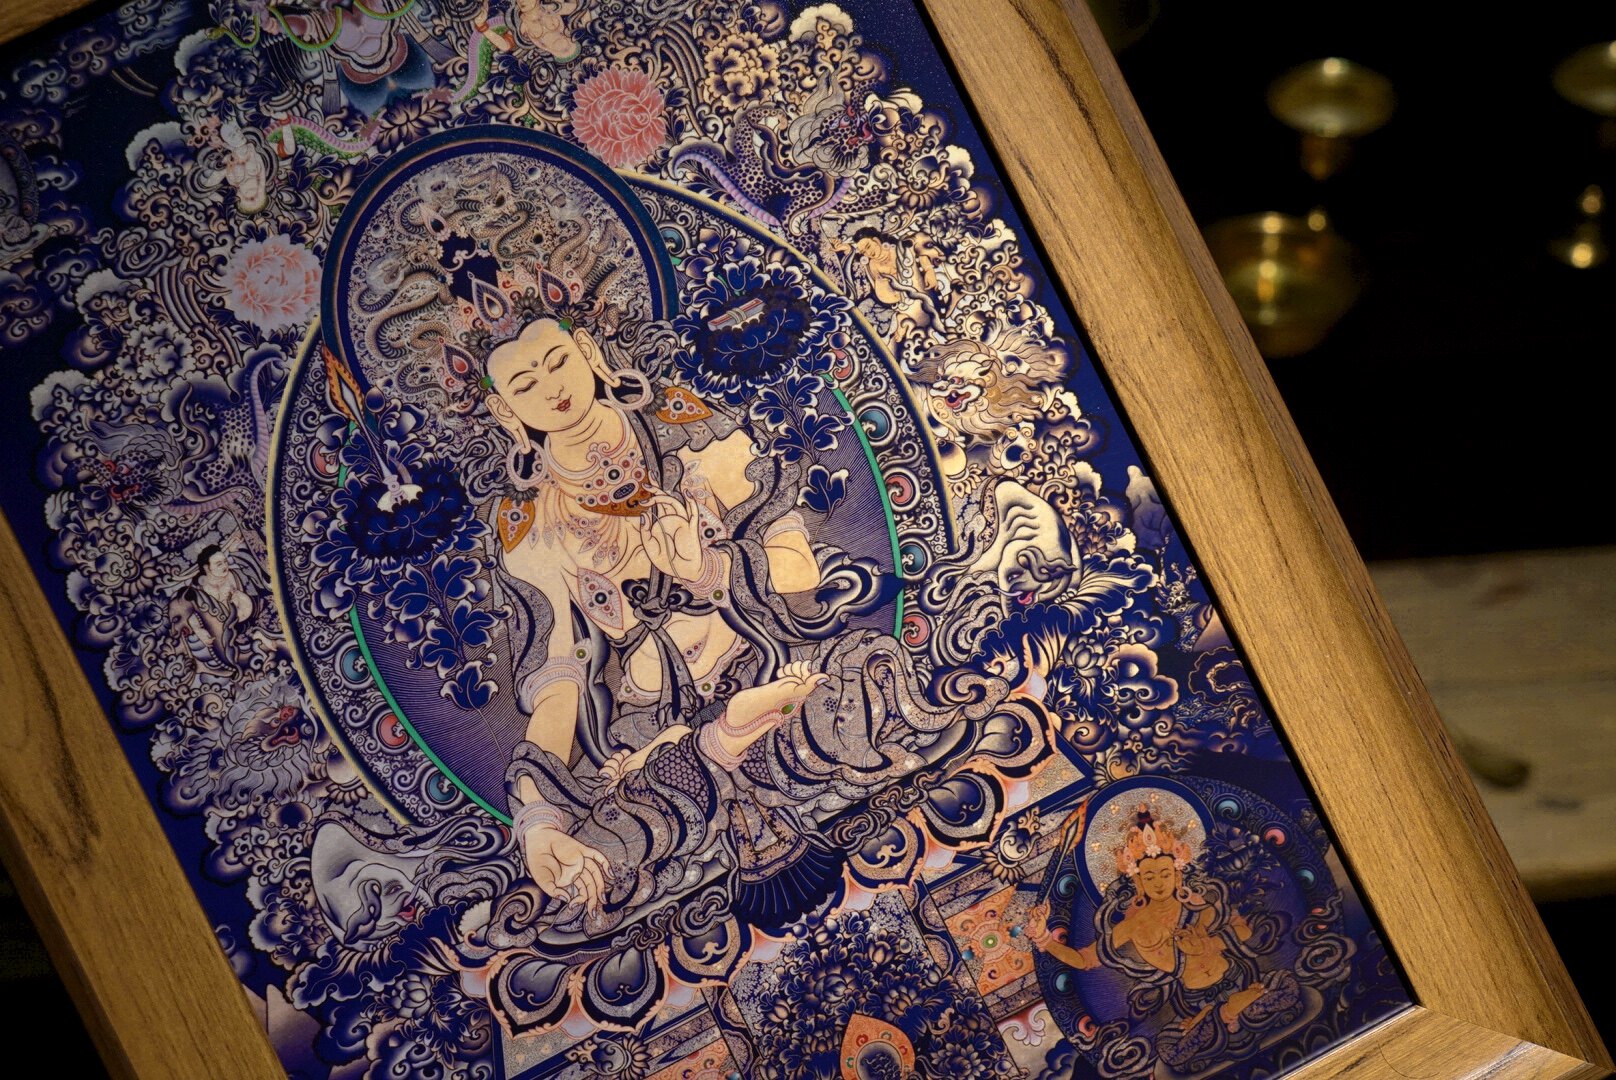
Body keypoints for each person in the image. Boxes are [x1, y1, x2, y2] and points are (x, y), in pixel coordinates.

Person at [480, 313, 830, 912]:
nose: (552, 388)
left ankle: (721, 738)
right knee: (601, 846)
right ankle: (721, 737)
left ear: (588, 350)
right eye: (525, 385)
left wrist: (706, 569)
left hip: (761, 657)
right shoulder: (531, 524)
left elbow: (801, 567)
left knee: (860, 678)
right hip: (654, 718)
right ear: (505, 411)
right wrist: (537, 820)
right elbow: (558, 685)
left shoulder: (684, 428)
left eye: (559, 362)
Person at [1026, 804, 1301, 1065]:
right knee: (1170, 1050)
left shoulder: (1200, 904)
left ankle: (1225, 1012)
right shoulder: (1133, 926)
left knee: (1287, 985)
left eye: (1165, 874)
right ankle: (1229, 1010)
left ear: (1177, 876)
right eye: (1150, 877)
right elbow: (1083, 960)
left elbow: (1244, 930)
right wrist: (1044, 939)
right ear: (1139, 882)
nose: (1158, 883)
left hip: (1238, 978)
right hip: (1196, 1000)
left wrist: (1208, 944)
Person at [171, 541, 258, 675]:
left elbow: (255, 596)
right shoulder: (197, 589)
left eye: (225, 561)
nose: (225, 566)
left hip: (248, 625)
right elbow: (191, 612)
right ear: (207, 568)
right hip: (221, 639)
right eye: (219, 564)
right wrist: (198, 629)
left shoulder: (237, 575)